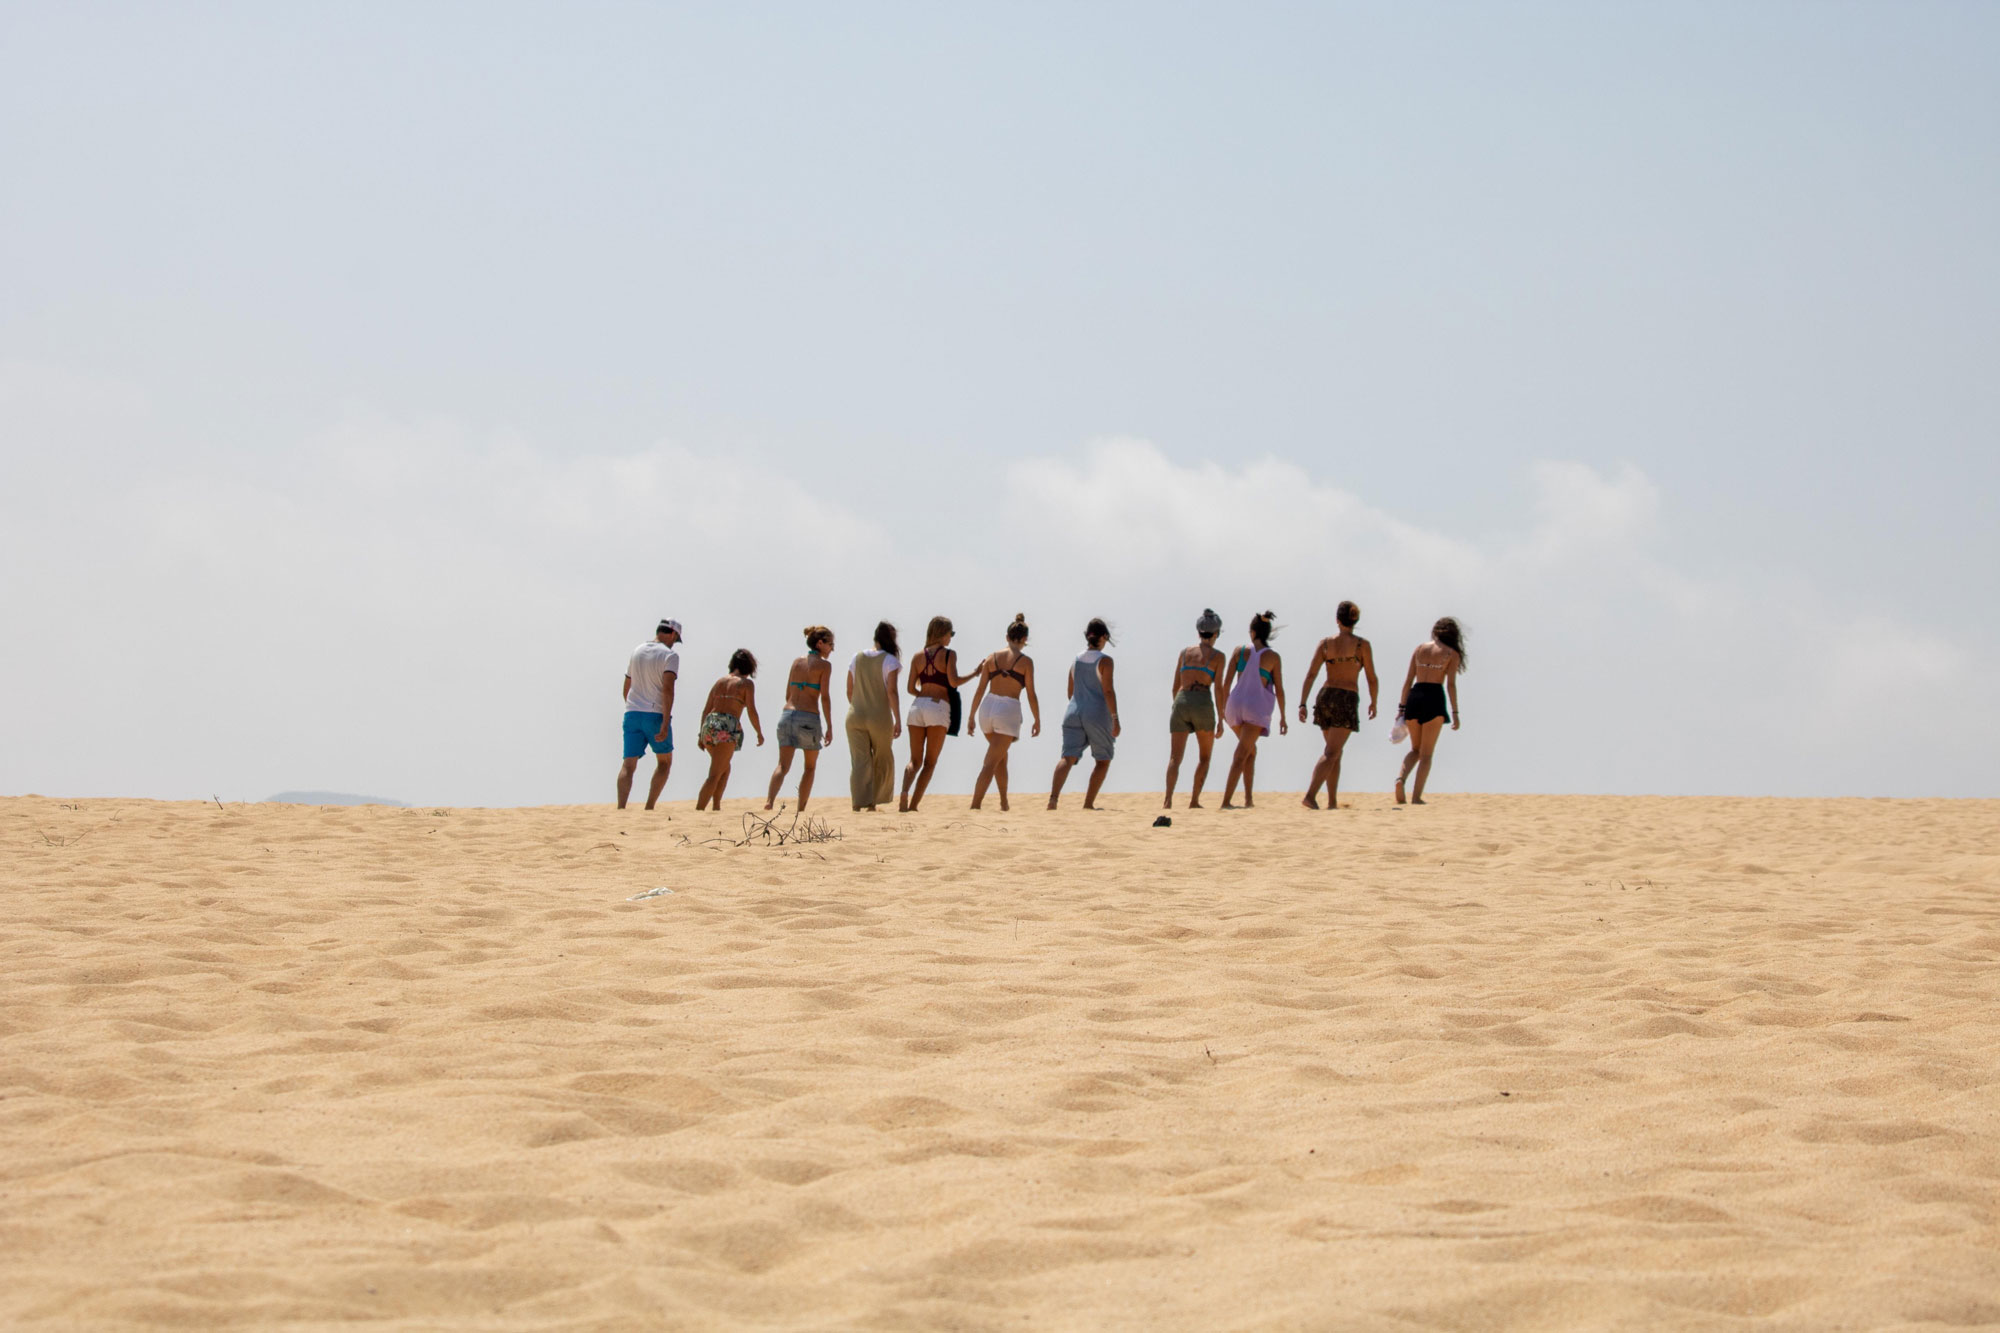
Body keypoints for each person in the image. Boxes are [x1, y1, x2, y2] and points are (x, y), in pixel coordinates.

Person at [1296, 600, 1380, 810]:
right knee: (1332, 752)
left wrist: (1303, 702)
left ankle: (1332, 801)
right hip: (1346, 697)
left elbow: (1311, 674)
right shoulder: (1362, 645)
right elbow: (1371, 678)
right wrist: (1374, 701)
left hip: (1325, 696)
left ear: (1337, 620)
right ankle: (1310, 795)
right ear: (1355, 620)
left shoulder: (1326, 644)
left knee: (1334, 751)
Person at [965, 614, 1041, 811]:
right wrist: (1037, 718)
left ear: (1007, 636)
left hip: (987, 708)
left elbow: (980, 689)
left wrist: (971, 716)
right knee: (990, 762)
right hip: (1008, 709)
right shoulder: (1026, 662)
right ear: (1025, 639)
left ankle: (1004, 802)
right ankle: (974, 807)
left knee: (1000, 758)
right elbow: (1031, 694)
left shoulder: (992, 657)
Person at [900, 616, 975, 813]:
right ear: (943, 634)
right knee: (929, 763)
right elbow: (954, 681)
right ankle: (913, 805)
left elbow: (910, 688)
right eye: (951, 634)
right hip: (938, 707)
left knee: (914, 761)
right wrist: (975, 673)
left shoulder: (917, 657)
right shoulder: (949, 655)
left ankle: (904, 793)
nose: (951, 638)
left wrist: (924, 695)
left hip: (917, 706)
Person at [1049, 618, 1120, 810]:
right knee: (1103, 760)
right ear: (1104, 637)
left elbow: (1070, 690)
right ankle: (1088, 803)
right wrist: (1115, 718)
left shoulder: (1076, 659)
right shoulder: (1105, 661)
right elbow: (1108, 691)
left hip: (1073, 710)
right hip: (1096, 712)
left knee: (1068, 757)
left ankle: (1053, 800)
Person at [1395, 617, 1466, 805]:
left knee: (1415, 749)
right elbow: (1450, 685)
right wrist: (1456, 713)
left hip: (1415, 695)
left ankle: (1400, 779)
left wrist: (1401, 708)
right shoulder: (1451, 654)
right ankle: (1416, 797)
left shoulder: (1420, 649)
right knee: (1426, 754)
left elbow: (1408, 680)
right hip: (1434, 697)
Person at [1219, 611, 1287, 809]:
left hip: (1234, 705)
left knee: (1250, 749)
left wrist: (1224, 707)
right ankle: (1226, 801)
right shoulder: (1273, 657)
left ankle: (1248, 799)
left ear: (1252, 632)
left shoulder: (1239, 651)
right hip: (1255, 708)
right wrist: (1282, 717)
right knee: (1241, 753)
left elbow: (1226, 683)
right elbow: (1280, 690)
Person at [766, 626, 836, 812]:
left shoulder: (797, 662)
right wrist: (829, 725)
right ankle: (801, 809)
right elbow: (825, 697)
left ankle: (769, 801)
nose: (832, 649)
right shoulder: (824, 666)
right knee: (810, 767)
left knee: (782, 765)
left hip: (787, 715)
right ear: (820, 643)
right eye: (830, 644)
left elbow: (788, 693)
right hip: (809, 716)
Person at [1164, 608, 1227, 809]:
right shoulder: (1218, 657)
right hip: (1202, 701)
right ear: (1216, 634)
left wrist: (1178, 706)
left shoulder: (1185, 653)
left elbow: (1175, 686)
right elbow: (1219, 689)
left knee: (1175, 757)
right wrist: (1221, 718)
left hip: (1182, 700)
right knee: (1205, 757)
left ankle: (1168, 800)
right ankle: (1194, 800)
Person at [618, 618, 683, 810]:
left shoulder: (637, 650)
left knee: (628, 765)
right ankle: (649, 807)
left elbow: (627, 685)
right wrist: (665, 721)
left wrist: (631, 705)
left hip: (632, 712)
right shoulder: (670, 655)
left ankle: (621, 808)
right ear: (672, 634)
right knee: (664, 762)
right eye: (676, 639)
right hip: (654, 713)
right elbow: (668, 689)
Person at [694, 650, 764, 810]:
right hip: (726, 727)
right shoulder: (746, 684)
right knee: (714, 774)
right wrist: (759, 732)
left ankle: (716, 807)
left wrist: (701, 734)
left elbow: (706, 710)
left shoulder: (720, 681)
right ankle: (699, 810)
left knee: (724, 768)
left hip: (710, 724)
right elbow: (752, 710)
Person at [845, 622, 903, 811]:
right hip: (879, 716)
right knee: (882, 757)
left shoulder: (857, 657)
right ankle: (873, 803)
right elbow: (892, 692)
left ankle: (857, 803)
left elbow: (849, 690)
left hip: (855, 715)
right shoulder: (890, 661)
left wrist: (858, 705)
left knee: (860, 761)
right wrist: (898, 719)